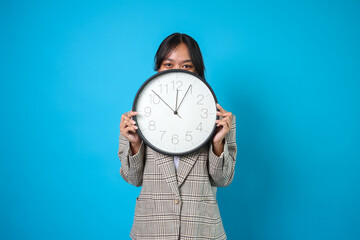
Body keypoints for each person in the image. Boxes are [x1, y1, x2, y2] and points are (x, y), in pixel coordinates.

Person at [118, 33, 237, 240]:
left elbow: (223, 180)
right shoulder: (137, 117)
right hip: (151, 231)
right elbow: (132, 178)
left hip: (201, 231)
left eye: (186, 66)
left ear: (198, 72)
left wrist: (218, 143)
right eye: (168, 64)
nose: (176, 74)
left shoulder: (219, 119)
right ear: (158, 70)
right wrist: (135, 145)